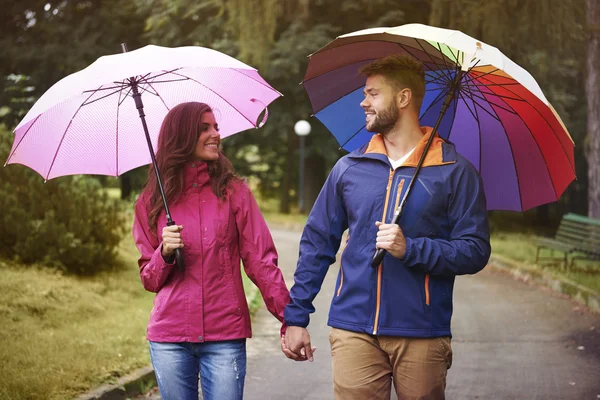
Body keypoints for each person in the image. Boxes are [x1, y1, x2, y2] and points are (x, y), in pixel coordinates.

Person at [282, 54, 491, 399]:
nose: (363, 102)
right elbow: (317, 244)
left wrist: (411, 248)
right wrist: (296, 316)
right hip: (353, 328)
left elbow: (475, 250)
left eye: (373, 93)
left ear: (404, 98)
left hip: (421, 331)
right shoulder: (350, 167)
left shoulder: (455, 171)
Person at [133, 101, 289, 400]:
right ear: (181, 136)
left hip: (225, 334)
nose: (215, 134)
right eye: (205, 128)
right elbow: (149, 279)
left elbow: (260, 260)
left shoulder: (234, 192)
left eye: (216, 127)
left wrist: (290, 317)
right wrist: (164, 252)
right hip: (170, 337)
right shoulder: (152, 201)